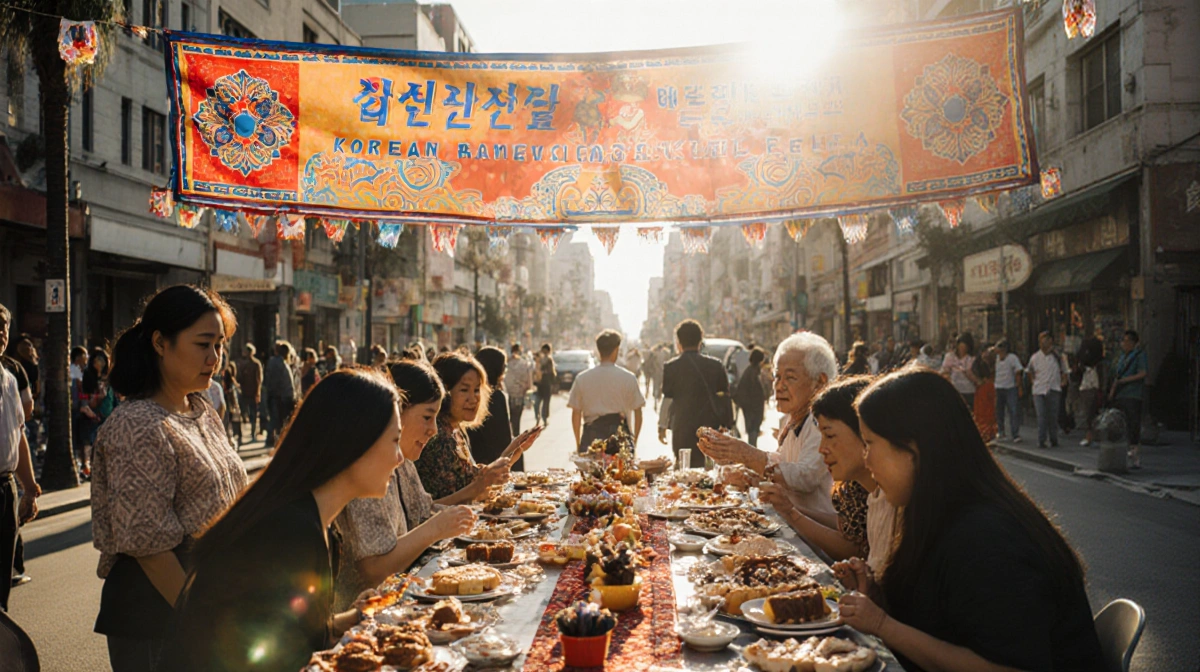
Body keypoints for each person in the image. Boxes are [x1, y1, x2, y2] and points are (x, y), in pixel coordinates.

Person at [836, 369, 1104, 672]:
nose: (865, 459)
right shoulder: (932, 509)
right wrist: (877, 600)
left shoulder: (986, 538)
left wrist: (882, 624)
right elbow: (938, 623)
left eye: (870, 444)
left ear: (913, 450)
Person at [160, 370, 398, 672]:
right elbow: (261, 657)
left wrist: (342, 622)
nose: (399, 457)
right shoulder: (288, 532)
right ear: (356, 442)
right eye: (395, 440)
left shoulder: (313, 522)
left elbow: (287, 632)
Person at [89, 286, 248, 671]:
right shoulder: (137, 425)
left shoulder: (201, 407)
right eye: (203, 344)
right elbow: (149, 546)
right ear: (160, 343)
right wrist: (203, 620)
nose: (215, 359)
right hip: (160, 614)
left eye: (220, 346)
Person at [333, 363, 479, 610]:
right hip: (370, 612)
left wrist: (466, 515)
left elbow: (424, 513)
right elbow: (374, 572)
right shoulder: (368, 470)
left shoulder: (403, 461)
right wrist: (436, 528)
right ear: (396, 412)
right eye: (427, 417)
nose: (434, 430)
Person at [698, 331, 837, 518]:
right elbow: (783, 464)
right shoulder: (791, 419)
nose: (779, 386)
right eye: (777, 377)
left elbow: (805, 477)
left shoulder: (822, 422)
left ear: (819, 382)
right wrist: (748, 471)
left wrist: (748, 455)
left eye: (790, 378)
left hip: (814, 536)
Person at [766, 376, 897, 572]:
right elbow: (846, 526)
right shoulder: (865, 491)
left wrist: (792, 514)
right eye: (777, 375)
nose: (822, 449)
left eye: (830, 435)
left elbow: (855, 548)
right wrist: (789, 508)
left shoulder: (893, 501)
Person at [416, 352, 540, 500]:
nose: (473, 398)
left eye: (476, 390)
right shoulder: (437, 436)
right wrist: (483, 483)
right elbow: (434, 508)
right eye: (464, 390)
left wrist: (513, 450)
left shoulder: (457, 430)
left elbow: (478, 480)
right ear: (444, 392)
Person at [0, 303, 40, 611]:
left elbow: (19, 436)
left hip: (6, 487)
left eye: (3, 327)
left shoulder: (10, 379)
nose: (0, 333)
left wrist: (29, 488)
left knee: (3, 576)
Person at [658, 320, 733, 468]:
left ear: (679, 342)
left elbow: (667, 399)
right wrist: (727, 425)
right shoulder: (716, 365)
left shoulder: (671, 367)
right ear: (701, 340)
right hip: (709, 427)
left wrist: (662, 426)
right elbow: (725, 397)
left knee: (684, 468)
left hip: (681, 427)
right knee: (709, 468)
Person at [569, 330, 645, 452]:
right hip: (620, 438)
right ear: (616, 350)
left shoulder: (582, 378)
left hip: (591, 438)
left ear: (599, 351)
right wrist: (634, 442)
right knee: (621, 471)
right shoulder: (628, 378)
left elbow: (576, 413)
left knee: (591, 469)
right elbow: (638, 411)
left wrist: (578, 444)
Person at [466, 346, 528, 471]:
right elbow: (503, 438)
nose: (505, 371)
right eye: (504, 367)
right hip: (491, 461)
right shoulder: (496, 396)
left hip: (474, 457)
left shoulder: (472, 394)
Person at [1109, 330, 1148, 468]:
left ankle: (1134, 454)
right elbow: (1117, 376)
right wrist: (1113, 390)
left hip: (1133, 394)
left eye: (1126, 341)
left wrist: (1125, 380)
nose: (1123, 344)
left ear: (1132, 342)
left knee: (1133, 423)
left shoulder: (1139, 355)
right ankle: (1123, 453)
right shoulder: (1121, 357)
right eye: (1122, 341)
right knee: (1120, 423)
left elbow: (1143, 373)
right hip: (1120, 394)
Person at [1027, 331, 1068, 449]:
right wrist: (1033, 382)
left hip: (1053, 388)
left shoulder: (1058, 356)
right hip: (1039, 390)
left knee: (1053, 416)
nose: (1043, 343)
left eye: (1045, 340)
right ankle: (1041, 440)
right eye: (1041, 340)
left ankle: (1053, 439)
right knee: (1041, 415)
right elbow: (1029, 371)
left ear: (1050, 341)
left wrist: (1063, 381)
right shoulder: (1035, 357)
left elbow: (1065, 370)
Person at [263, 342, 298, 446]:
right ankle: (275, 440)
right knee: (278, 420)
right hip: (281, 396)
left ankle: (273, 439)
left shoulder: (275, 362)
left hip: (278, 395)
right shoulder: (280, 363)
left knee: (276, 419)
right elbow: (282, 382)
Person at [733, 347, 768, 447]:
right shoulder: (754, 372)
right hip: (753, 407)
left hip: (749, 406)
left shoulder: (750, 370)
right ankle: (752, 453)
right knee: (753, 430)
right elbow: (756, 390)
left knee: (752, 430)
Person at [992, 340, 1024, 442]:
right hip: (998, 387)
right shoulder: (996, 358)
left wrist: (1019, 387)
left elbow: (1018, 372)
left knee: (1013, 410)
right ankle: (1001, 431)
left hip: (1010, 388)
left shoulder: (1012, 358)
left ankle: (1015, 434)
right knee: (999, 411)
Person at [939, 333, 978, 411]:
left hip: (968, 390)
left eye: (965, 347)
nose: (962, 349)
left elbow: (976, 377)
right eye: (961, 346)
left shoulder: (972, 359)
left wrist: (967, 373)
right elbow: (944, 371)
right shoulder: (950, 357)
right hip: (955, 390)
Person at [504, 343, 534, 436]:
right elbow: (529, 383)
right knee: (516, 420)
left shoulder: (505, 363)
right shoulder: (524, 364)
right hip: (519, 395)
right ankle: (515, 442)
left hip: (505, 396)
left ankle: (509, 439)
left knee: (508, 420)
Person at [238, 344, 263, 443]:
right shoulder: (243, 364)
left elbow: (258, 380)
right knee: (244, 413)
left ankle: (252, 433)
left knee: (253, 413)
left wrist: (258, 393)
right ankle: (245, 433)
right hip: (245, 392)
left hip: (252, 393)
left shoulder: (256, 364)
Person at [972, 345, 997, 442]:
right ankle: (983, 432)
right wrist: (980, 380)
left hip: (989, 387)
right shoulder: (978, 363)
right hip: (983, 388)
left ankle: (990, 432)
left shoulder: (993, 362)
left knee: (990, 411)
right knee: (982, 411)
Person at [221, 359, 241, 446]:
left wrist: (234, 405)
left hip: (227, 403)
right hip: (225, 403)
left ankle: (232, 438)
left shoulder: (226, 374)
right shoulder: (220, 375)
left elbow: (231, 391)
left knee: (228, 422)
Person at [535, 343, 556, 425]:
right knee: (541, 403)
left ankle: (542, 418)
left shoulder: (548, 360)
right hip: (542, 384)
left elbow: (551, 372)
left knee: (543, 403)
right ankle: (540, 417)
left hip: (545, 384)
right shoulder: (539, 359)